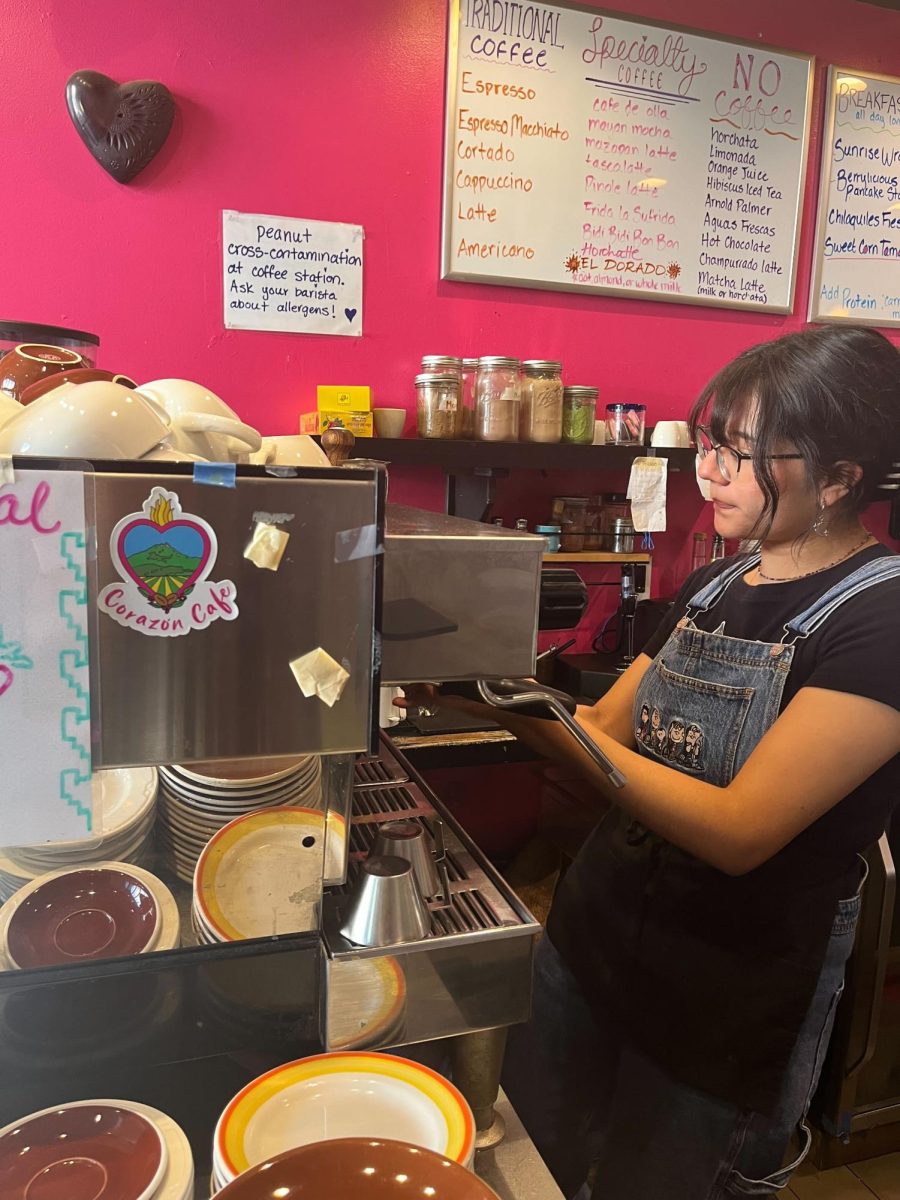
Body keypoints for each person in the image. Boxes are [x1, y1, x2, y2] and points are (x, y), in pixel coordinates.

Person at [402, 325, 900, 1199]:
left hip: (729, 987)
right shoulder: (715, 585)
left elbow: (740, 830)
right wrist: (475, 690)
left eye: (741, 454)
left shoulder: (880, 618)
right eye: (712, 443)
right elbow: (604, 722)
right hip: (594, 941)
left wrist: (544, 721)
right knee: (530, 1162)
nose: (710, 471)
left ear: (840, 477)